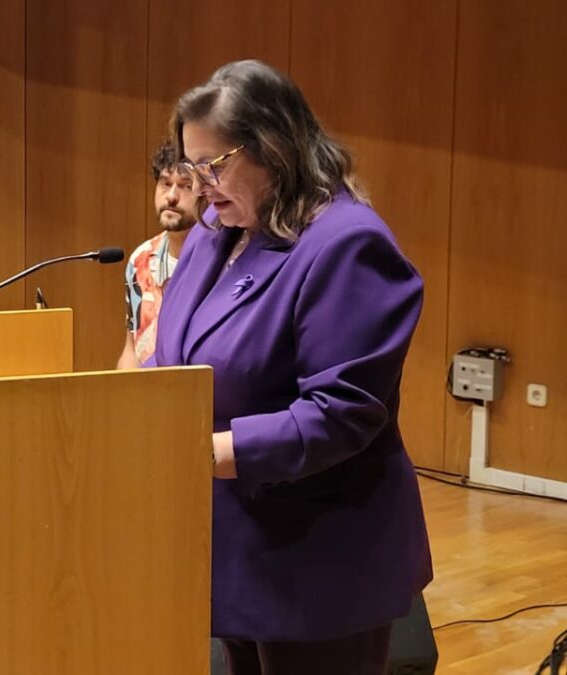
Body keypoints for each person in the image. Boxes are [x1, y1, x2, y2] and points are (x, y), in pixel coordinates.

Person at [151, 60, 432, 674]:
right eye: (191, 166)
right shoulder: (214, 230)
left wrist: (201, 451)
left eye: (213, 164)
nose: (200, 184)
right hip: (235, 547)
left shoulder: (346, 244)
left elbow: (341, 413)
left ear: (275, 147)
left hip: (320, 561)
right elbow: (180, 349)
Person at [116, 140, 201, 369]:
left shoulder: (219, 263)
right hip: (146, 394)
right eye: (165, 183)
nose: (171, 196)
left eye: (185, 186)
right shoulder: (140, 259)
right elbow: (131, 348)